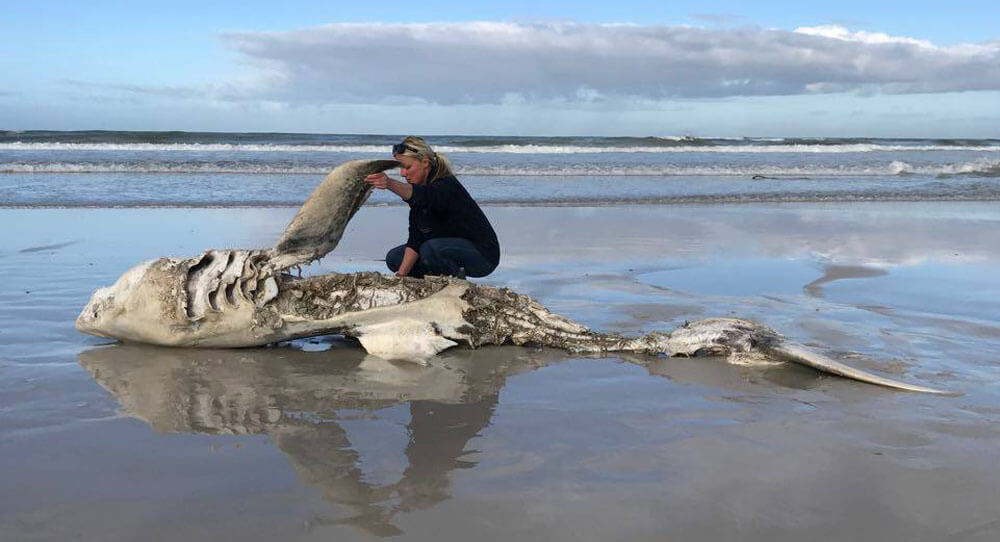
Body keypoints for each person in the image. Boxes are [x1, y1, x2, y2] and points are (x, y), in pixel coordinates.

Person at [364, 136, 500, 279]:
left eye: (407, 167)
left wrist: (390, 183)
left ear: (425, 163)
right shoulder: (420, 191)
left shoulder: (446, 185)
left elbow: (425, 196)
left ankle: (456, 284)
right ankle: (429, 283)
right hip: (442, 247)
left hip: (482, 257)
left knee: (430, 248)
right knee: (395, 258)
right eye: (401, 168)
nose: (403, 174)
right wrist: (401, 275)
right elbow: (416, 238)